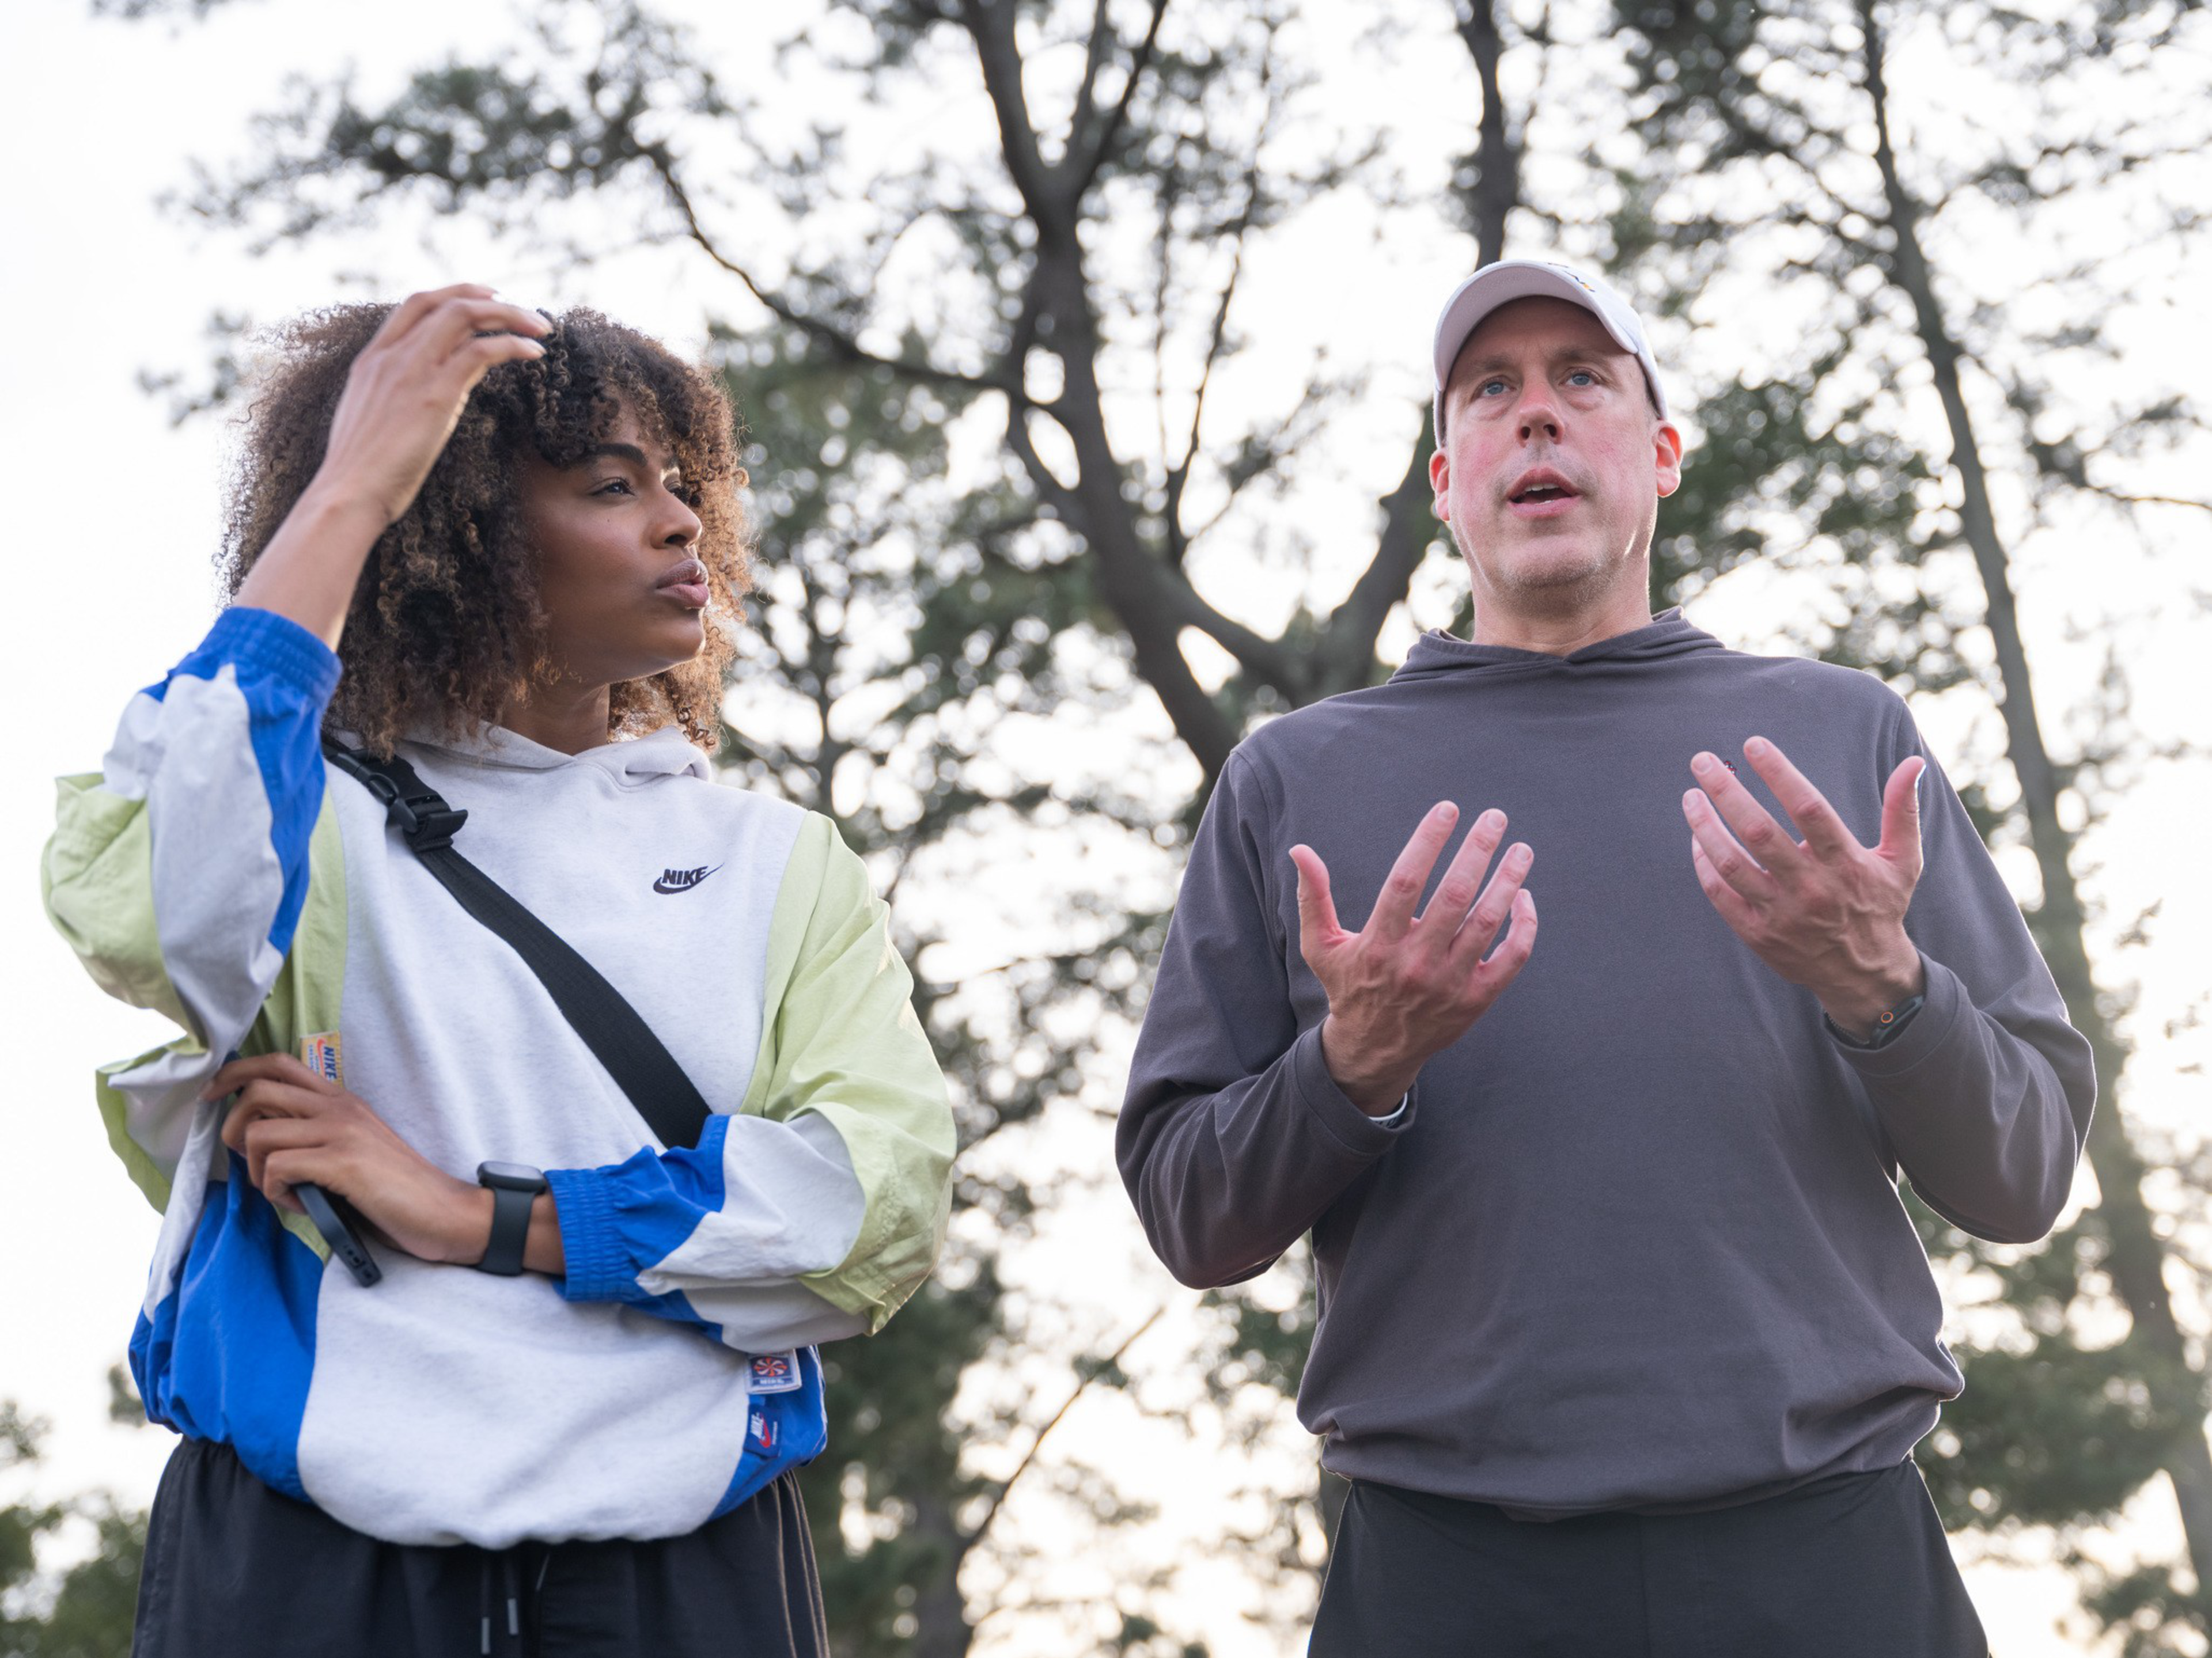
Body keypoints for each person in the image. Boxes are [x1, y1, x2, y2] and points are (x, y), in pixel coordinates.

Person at [1116, 259, 2093, 1656]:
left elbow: (2027, 1170)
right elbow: (1190, 1213)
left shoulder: (1845, 743)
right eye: (1493, 390)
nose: (1538, 417)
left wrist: (1889, 992)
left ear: (1661, 451)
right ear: (1449, 480)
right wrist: (1352, 1064)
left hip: (1828, 1560)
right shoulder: (1293, 783)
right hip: (1447, 1577)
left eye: (1584, 378)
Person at [43, 286, 956, 1657]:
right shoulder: (301, 809)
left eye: (681, 482)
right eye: (609, 483)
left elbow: (864, 1210)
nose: (680, 520)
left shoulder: (776, 858)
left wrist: (481, 1214)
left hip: (684, 1570)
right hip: (311, 1564)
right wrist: (350, 489)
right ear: (459, 523)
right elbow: (159, 912)